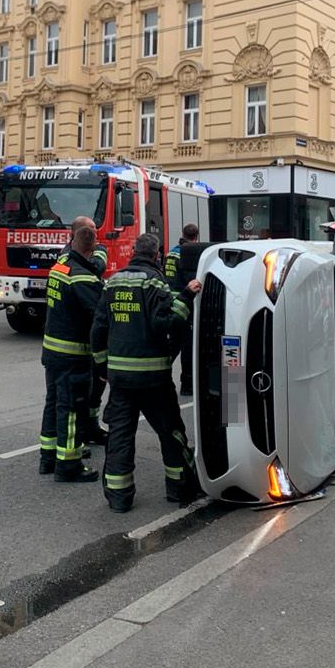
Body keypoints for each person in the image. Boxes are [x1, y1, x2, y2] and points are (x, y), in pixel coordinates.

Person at [91, 233, 204, 512]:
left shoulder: (113, 282)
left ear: (133, 252)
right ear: (156, 255)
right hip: (153, 377)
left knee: (120, 434)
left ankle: (119, 496)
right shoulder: (155, 282)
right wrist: (186, 297)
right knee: (171, 431)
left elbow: (98, 330)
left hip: (120, 378)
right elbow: (166, 324)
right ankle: (179, 488)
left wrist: (102, 368)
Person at [38, 217, 108, 481]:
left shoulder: (61, 265)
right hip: (73, 355)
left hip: (52, 352)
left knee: (53, 402)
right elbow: (99, 318)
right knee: (70, 410)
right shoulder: (82, 278)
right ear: (91, 249)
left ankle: (48, 457)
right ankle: (69, 465)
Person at [163, 223, 209, 396]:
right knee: (187, 346)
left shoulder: (171, 253)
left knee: (172, 344)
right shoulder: (192, 254)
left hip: (171, 302)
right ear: (196, 236)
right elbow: (193, 279)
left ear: (182, 234)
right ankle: (187, 384)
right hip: (186, 303)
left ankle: (160, 373)